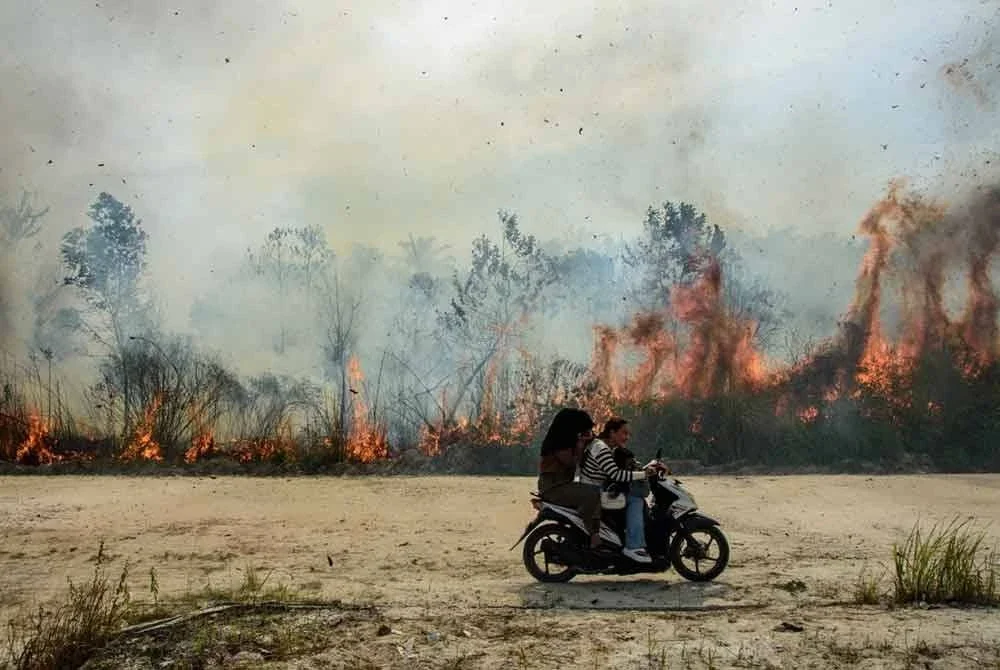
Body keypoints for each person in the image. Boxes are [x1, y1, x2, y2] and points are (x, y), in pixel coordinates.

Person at [579, 416, 655, 563]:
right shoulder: (601, 448)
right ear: (612, 432)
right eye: (624, 433)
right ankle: (633, 546)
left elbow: (619, 468)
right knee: (635, 499)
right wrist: (644, 474)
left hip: (595, 489)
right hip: (594, 492)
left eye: (628, 434)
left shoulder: (602, 445)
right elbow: (617, 474)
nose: (627, 437)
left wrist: (641, 468)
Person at [537, 408, 603, 549]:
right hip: (554, 488)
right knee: (593, 493)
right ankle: (593, 534)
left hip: (563, 485)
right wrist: (580, 444)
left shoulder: (567, 441)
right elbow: (572, 462)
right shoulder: (558, 444)